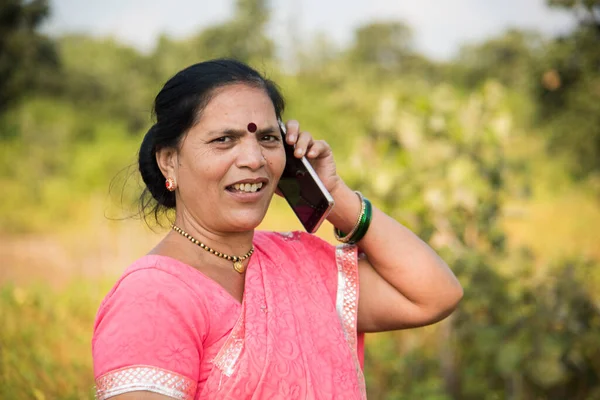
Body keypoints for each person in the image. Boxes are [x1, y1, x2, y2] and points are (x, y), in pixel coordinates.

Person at [92, 59, 463, 400]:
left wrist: (334, 194)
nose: (254, 159)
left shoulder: (298, 264)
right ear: (169, 161)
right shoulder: (152, 297)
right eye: (225, 139)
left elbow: (434, 294)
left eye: (268, 138)